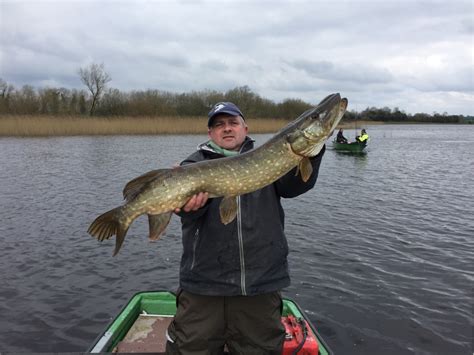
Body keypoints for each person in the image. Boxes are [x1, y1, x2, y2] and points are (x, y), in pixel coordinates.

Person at [166, 102, 326, 355]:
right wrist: (191, 207)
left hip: (260, 282)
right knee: (192, 349)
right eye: (219, 125)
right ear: (210, 134)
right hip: (204, 284)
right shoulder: (192, 164)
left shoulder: (270, 155)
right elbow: (188, 216)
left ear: (245, 127)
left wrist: (313, 152)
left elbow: (294, 186)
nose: (226, 129)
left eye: (232, 123)